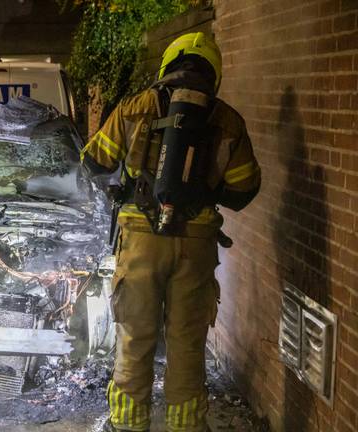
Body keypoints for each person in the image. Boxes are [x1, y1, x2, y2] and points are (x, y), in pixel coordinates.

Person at [81, 32, 261, 432]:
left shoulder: (134, 108)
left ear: (168, 64)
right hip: (196, 245)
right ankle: (185, 426)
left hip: (141, 241)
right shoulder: (227, 119)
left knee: (135, 337)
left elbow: (94, 161)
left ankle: (128, 425)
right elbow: (245, 189)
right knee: (187, 344)